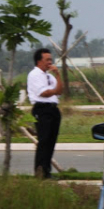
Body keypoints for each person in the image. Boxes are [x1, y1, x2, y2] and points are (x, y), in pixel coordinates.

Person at [27, 48, 63, 179]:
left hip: (53, 108)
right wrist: (53, 90)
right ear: (39, 61)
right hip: (42, 109)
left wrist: (58, 75)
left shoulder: (49, 76)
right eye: (47, 60)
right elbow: (44, 93)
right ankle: (40, 172)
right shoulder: (34, 74)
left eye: (51, 60)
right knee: (44, 141)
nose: (50, 62)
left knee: (51, 141)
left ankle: (47, 171)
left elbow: (59, 90)